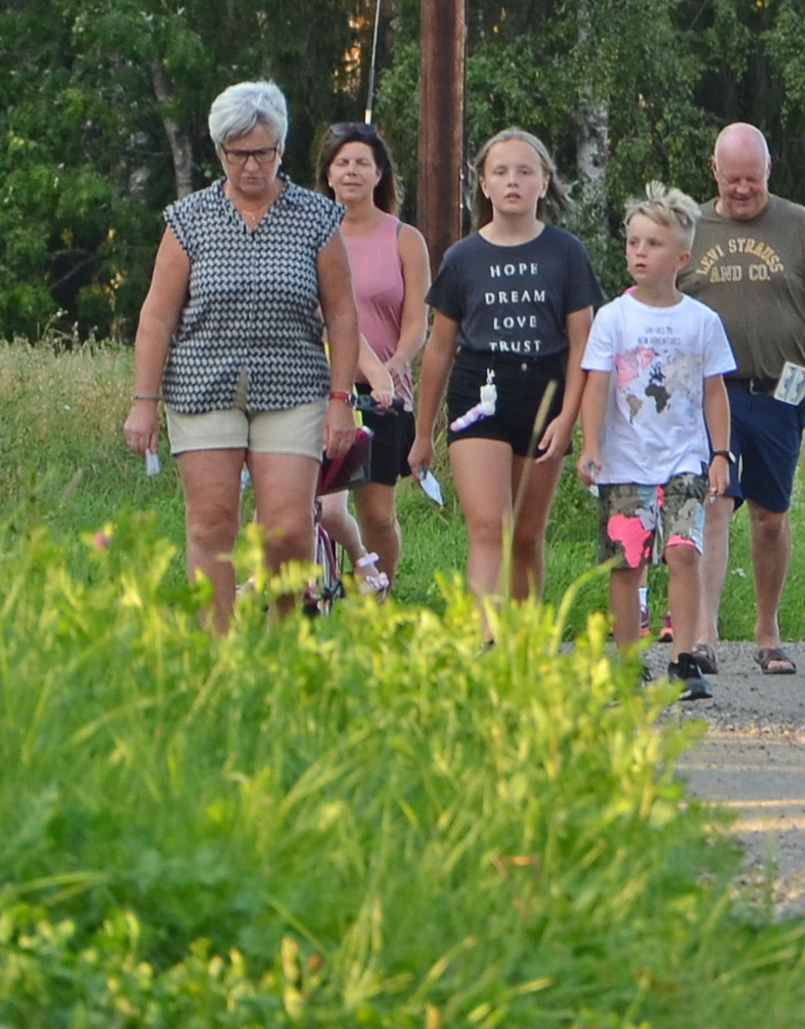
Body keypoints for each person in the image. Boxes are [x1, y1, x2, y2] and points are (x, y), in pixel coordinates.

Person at [122, 79, 360, 631]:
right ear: (219, 152)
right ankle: (217, 650)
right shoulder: (189, 220)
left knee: (289, 528)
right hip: (203, 386)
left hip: (294, 385)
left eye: (263, 153)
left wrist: (341, 399)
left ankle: (283, 637)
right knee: (211, 524)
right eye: (238, 154)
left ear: (282, 148)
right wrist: (143, 400)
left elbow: (343, 313)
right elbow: (156, 315)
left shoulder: (316, 219)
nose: (251, 166)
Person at [410, 129, 601, 624]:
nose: (512, 181)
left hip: (544, 394)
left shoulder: (567, 253)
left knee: (527, 535)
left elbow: (584, 343)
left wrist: (569, 418)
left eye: (524, 171)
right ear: (483, 184)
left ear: (544, 182)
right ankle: (486, 639)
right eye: (500, 172)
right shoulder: (463, 257)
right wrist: (423, 432)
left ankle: (523, 642)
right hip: (480, 393)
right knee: (489, 527)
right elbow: (439, 348)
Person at [679, 122, 805, 675]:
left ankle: (767, 631)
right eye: (733, 179)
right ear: (714, 171)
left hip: (780, 388)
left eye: (753, 178)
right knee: (714, 501)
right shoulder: (690, 228)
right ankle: (704, 633)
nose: (743, 189)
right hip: (711, 391)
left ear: (768, 171)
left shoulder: (798, 225)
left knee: (770, 515)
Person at [577, 186, 736, 701]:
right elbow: (596, 385)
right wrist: (591, 445)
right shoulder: (613, 318)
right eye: (633, 242)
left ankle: (683, 659)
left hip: (684, 460)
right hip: (625, 463)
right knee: (627, 562)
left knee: (683, 551)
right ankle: (628, 662)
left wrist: (719, 453)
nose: (639, 252)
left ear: (681, 258)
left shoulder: (702, 322)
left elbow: (714, 391)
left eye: (653, 244)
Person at [314, 121, 430, 597]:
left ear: (379, 173)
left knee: (377, 512)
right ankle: (327, 584)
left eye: (362, 163)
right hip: (322, 384)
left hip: (382, 393)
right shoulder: (313, 234)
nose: (352, 172)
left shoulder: (404, 238)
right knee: (323, 504)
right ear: (327, 174)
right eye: (342, 163)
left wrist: (399, 360)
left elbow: (417, 320)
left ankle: (381, 597)